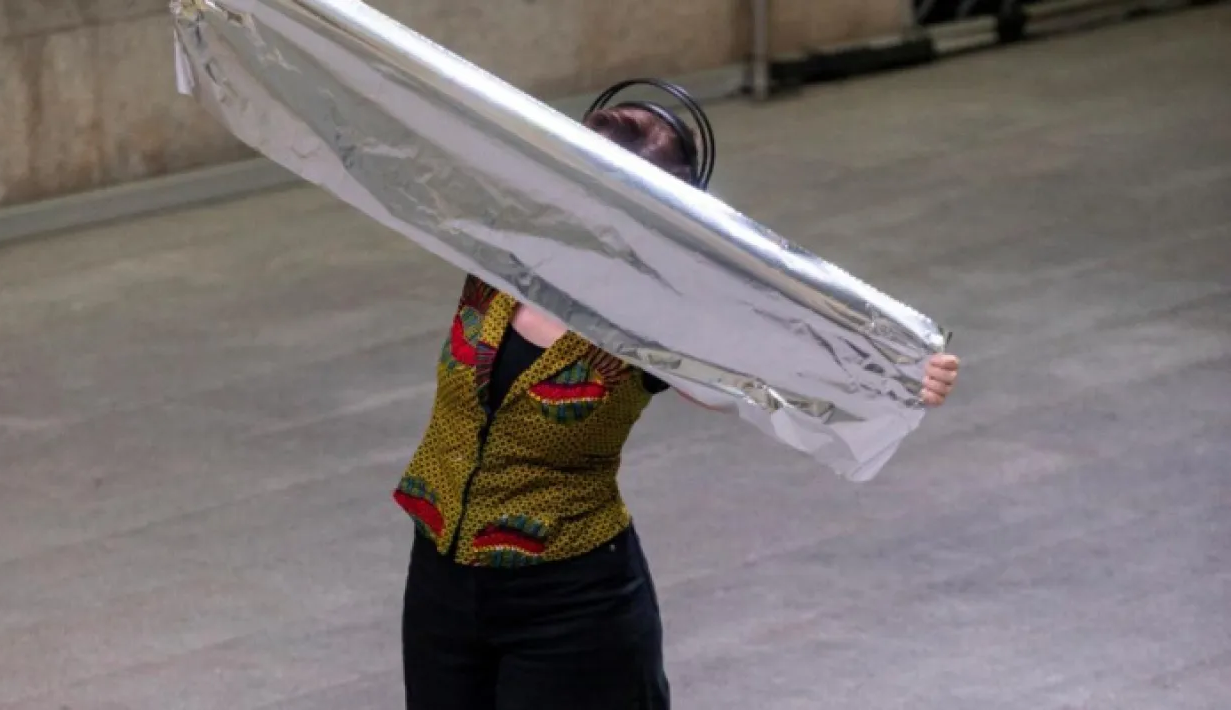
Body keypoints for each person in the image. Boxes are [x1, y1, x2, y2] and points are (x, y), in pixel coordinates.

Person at [394, 79, 961, 710]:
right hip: (440, 584)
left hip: (569, 607)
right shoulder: (503, 257)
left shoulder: (659, 321)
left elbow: (767, 368)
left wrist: (895, 368)